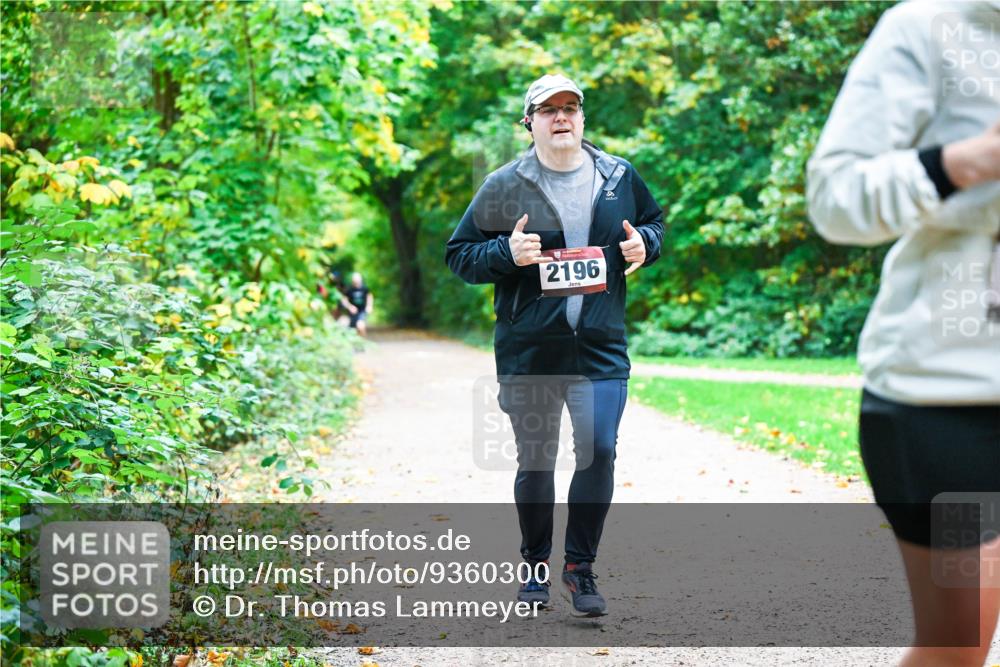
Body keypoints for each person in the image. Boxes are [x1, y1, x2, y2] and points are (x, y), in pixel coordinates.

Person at [807, 2, 999, 664]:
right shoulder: (930, 28)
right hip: (955, 404)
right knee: (957, 646)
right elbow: (835, 196)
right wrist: (970, 161)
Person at [445, 74, 664, 616]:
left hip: (600, 346)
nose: (561, 117)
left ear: (582, 117)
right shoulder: (504, 184)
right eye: (548, 110)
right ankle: (535, 567)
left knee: (601, 449)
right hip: (530, 350)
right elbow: (460, 256)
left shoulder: (618, 176)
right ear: (530, 122)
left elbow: (655, 225)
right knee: (537, 462)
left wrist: (646, 245)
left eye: (570, 108)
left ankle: (579, 569)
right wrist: (506, 252)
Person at [340, 272, 374, 337]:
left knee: (360, 325)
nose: (356, 283)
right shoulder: (349, 289)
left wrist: (369, 306)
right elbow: (344, 300)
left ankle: (363, 343)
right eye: (355, 281)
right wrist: (350, 307)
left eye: (358, 281)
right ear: (352, 281)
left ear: (360, 280)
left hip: (362, 311)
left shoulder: (365, 288)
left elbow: (369, 296)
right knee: (351, 329)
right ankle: (356, 343)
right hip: (352, 313)